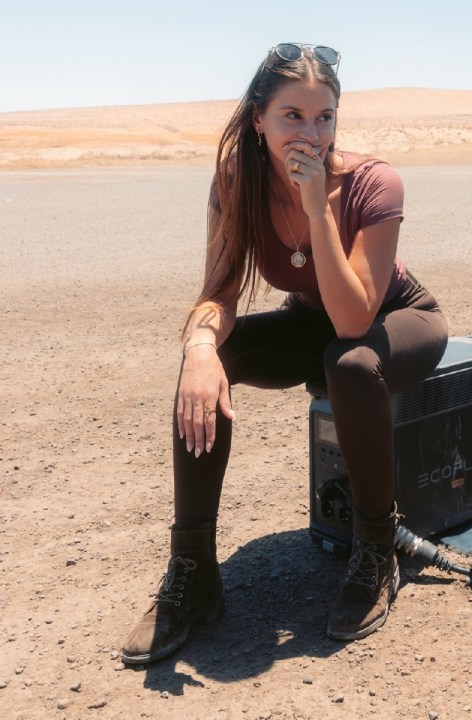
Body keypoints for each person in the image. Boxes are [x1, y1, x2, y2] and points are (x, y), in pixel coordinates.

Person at [121, 43, 448, 664]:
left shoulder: (373, 183)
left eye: (324, 116)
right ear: (258, 120)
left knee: (349, 365)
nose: (311, 132)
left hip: (395, 320)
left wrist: (317, 205)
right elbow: (217, 292)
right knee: (218, 359)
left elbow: (354, 320)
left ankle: (376, 548)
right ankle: (192, 571)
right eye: (292, 116)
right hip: (311, 324)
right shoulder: (236, 183)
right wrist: (198, 348)